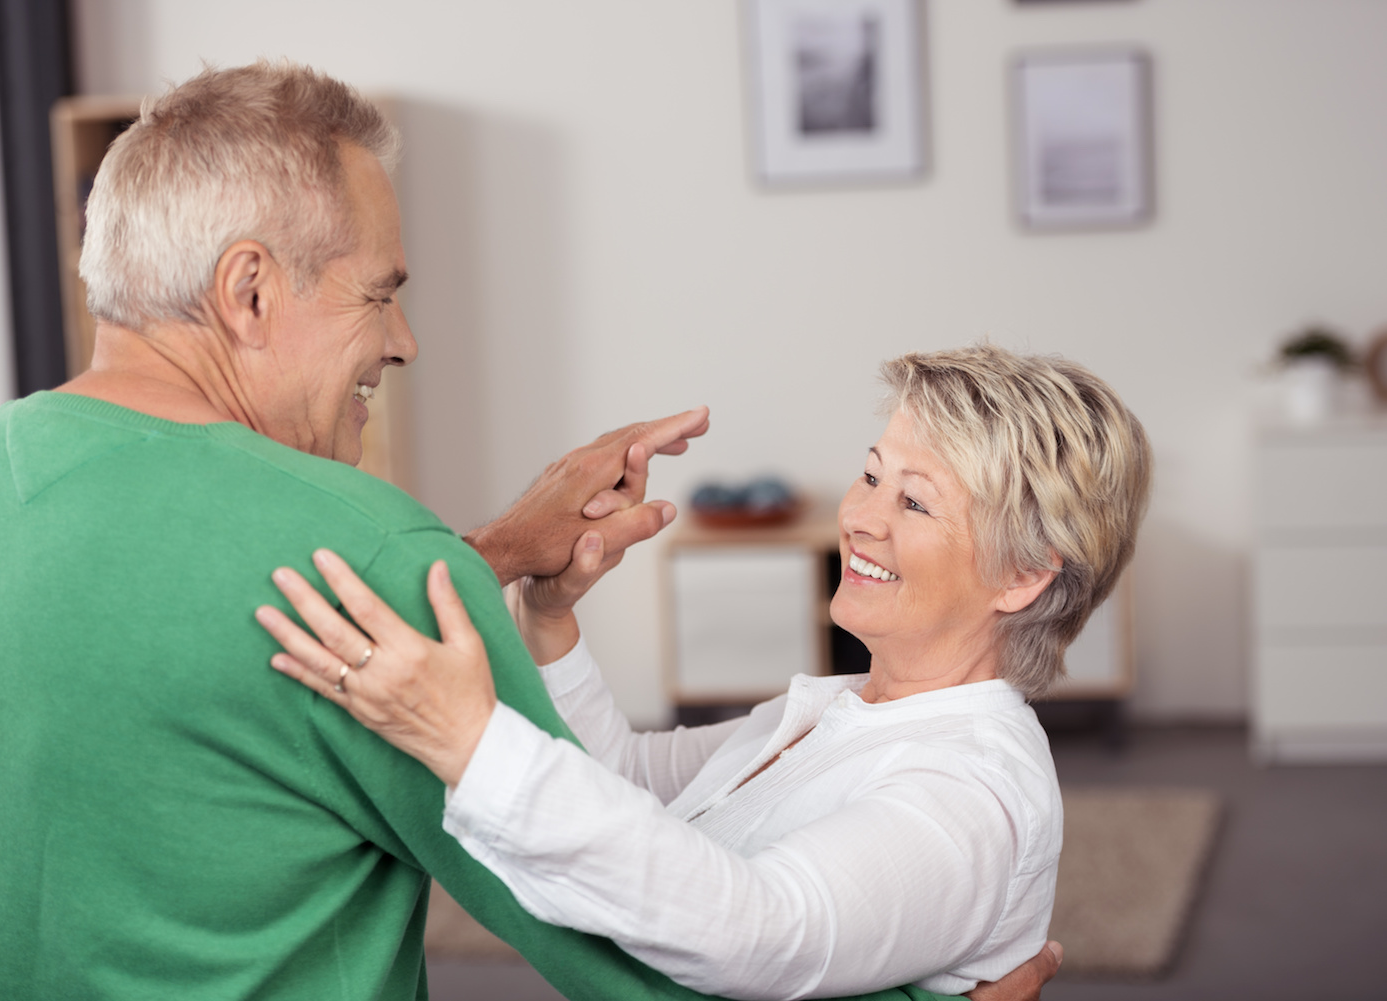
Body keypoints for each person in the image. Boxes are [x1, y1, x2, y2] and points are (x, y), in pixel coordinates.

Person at [0, 60, 1057, 1001]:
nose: (402, 341)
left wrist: (486, 557)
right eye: (379, 292)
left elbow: (141, 644)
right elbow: (648, 964)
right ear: (249, 293)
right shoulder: (373, 562)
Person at [259, 345, 1150, 998]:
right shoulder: (845, 707)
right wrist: (550, 612)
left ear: (1027, 573)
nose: (861, 518)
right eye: (871, 475)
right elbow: (636, 787)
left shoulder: (973, 793)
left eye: (913, 501)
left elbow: (757, 928)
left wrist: (469, 740)